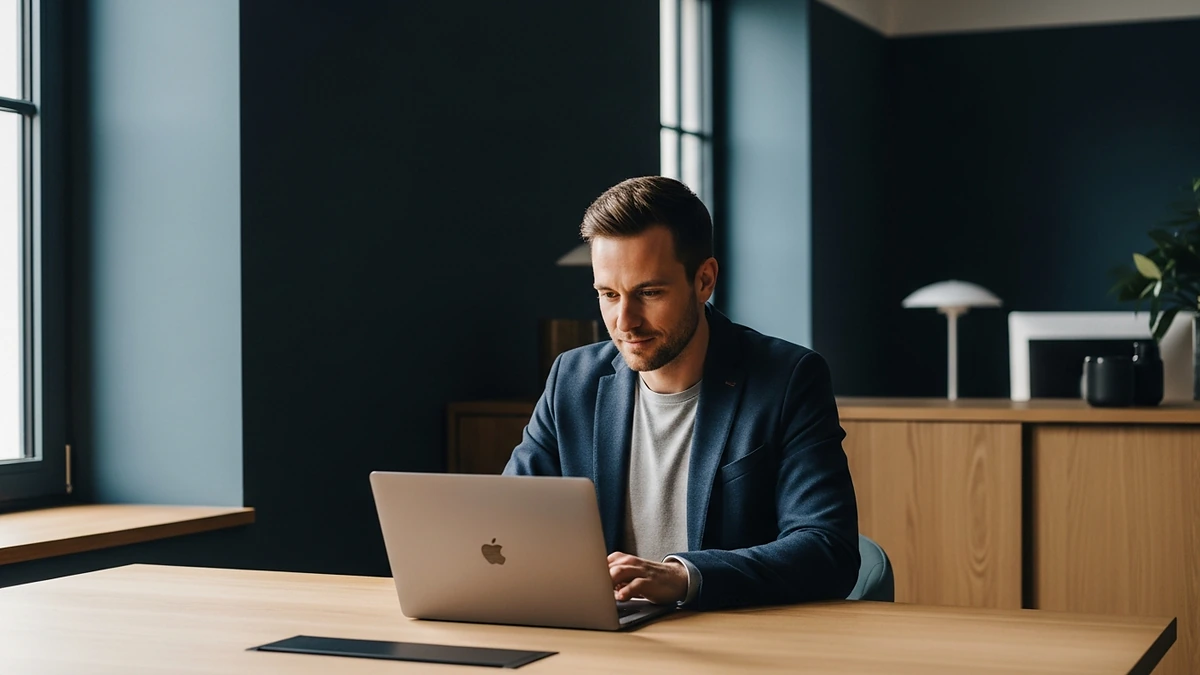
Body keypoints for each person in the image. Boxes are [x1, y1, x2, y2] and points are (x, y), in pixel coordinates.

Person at [504, 176, 859, 611]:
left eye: (649, 292)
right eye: (608, 295)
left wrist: (683, 576)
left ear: (704, 280)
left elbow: (828, 548)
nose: (625, 321)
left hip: (734, 634)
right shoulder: (573, 379)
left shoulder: (787, 379)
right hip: (603, 633)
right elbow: (508, 519)